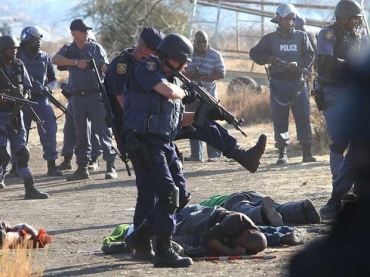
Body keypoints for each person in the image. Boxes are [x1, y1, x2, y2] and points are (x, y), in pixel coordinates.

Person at [105, 27, 267, 235]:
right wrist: (180, 94)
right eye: (157, 52)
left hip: (160, 128)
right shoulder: (131, 67)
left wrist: (204, 112)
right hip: (139, 131)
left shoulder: (165, 74)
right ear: (147, 50)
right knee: (150, 191)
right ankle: (140, 237)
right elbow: (126, 106)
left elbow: (172, 114)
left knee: (201, 125)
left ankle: (242, 155)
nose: (158, 57)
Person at [121, 33, 202, 268]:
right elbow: (166, 91)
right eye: (182, 60)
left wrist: (201, 116)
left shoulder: (174, 81)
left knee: (182, 194)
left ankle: (141, 234)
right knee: (168, 193)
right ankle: (163, 248)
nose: (185, 65)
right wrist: (187, 94)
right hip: (145, 142)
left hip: (165, 142)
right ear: (170, 58)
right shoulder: (147, 69)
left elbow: (175, 120)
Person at [316, 0, 367, 218]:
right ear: (344, 17)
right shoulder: (327, 34)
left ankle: (351, 190)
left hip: (352, 92)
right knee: (340, 140)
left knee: (360, 142)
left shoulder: (358, 35)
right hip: (332, 90)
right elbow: (326, 62)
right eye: (353, 17)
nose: (357, 21)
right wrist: (352, 66)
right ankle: (337, 187)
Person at [249, 3, 316, 165]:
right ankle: (282, 152)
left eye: (292, 18)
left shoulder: (301, 36)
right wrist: (268, 58)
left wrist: (298, 63)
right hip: (279, 85)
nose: (289, 21)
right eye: (286, 19)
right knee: (280, 120)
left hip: (298, 85)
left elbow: (310, 55)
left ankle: (306, 152)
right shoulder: (270, 39)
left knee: (303, 118)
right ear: (278, 20)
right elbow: (254, 53)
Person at [52, 19, 117, 181]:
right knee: (81, 134)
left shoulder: (95, 48)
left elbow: (107, 68)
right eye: (83, 30)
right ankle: (82, 168)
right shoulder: (69, 48)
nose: (86, 32)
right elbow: (55, 59)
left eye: (87, 30)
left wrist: (103, 68)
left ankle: (111, 166)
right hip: (77, 97)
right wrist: (75, 63)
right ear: (74, 32)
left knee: (103, 132)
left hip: (95, 95)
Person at [0, 35, 48, 199]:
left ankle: (30, 188)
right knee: (2, 152)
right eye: (10, 49)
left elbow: (27, 88)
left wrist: (24, 97)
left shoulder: (19, 65)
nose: (13, 51)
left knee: (23, 152)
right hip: (0, 115)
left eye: (15, 49)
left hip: (16, 114)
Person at [15, 25, 63, 177]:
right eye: (36, 39)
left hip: (41, 100)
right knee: (19, 133)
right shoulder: (16, 56)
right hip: (21, 100)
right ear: (28, 39)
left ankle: (52, 165)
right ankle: (16, 167)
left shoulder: (45, 57)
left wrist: (48, 88)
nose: (39, 42)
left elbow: (53, 79)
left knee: (48, 130)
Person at [183, 31, 226, 162]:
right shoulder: (188, 53)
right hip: (191, 95)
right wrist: (190, 74)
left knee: (210, 124)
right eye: (198, 42)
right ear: (194, 42)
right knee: (192, 124)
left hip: (209, 95)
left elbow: (222, 73)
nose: (201, 44)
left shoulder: (215, 55)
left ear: (208, 42)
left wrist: (204, 77)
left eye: (204, 42)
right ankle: (196, 155)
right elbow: (180, 70)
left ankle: (214, 155)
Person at [173, 206, 267, 257]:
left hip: (207, 238)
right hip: (205, 220)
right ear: (247, 232)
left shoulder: (252, 243)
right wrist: (230, 251)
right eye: (240, 242)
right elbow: (209, 238)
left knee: (177, 244)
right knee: (170, 232)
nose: (237, 245)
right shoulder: (238, 220)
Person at [199, 191, 321, 226]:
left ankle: (263, 213)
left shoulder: (201, 207)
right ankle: (302, 208)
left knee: (245, 212)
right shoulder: (212, 199)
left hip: (231, 201)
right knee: (277, 208)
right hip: (252, 193)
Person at [57, 82, 103, 172]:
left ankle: (93, 159)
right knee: (69, 129)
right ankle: (67, 159)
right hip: (74, 94)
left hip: (92, 94)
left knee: (91, 129)